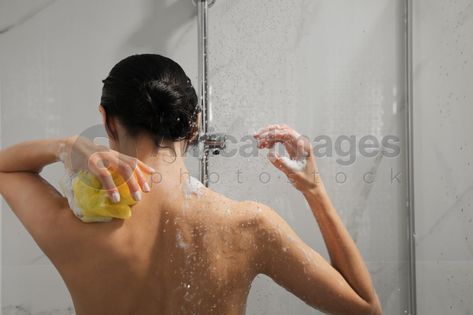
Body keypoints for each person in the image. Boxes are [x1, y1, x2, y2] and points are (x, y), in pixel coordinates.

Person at [0, 54, 381, 315]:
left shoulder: (73, 226)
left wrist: (66, 146)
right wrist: (314, 190)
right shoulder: (249, 225)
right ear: (193, 125)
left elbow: (5, 169)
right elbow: (365, 308)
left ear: (107, 121)